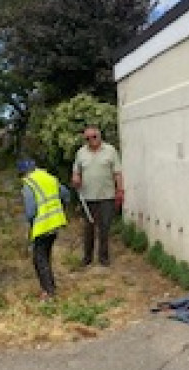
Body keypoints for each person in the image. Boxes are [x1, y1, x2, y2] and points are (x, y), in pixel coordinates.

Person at [18, 159, 70, 300]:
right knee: (46, 255)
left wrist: (31, 223)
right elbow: (66, 194)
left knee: (39, 259)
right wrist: (61, 209)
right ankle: (51, 286)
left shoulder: (28, 183)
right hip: (56, 222)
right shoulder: (49, 178)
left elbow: (30, 210)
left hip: (42, 224)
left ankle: (48, 291)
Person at [71, 126, 123, 267]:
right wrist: (76, 178)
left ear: (99, 136)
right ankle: (87, 258)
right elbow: (76, 171)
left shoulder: (110, 151)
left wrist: (120, 190)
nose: (91, 140)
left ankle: (103, 258)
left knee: (104, 228)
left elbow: (117, 173)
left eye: (94, 137)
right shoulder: (81, 153)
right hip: (87, 198)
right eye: (87, 138)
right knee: (88, 229)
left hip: (106, 196)